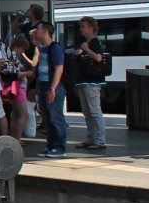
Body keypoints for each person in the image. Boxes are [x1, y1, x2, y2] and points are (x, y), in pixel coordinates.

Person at [72, 15, 107, 150]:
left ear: (92, 28)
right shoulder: (85, 42)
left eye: (84, 26)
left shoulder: (94, 42)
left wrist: (86, 49)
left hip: (92, 81)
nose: (81, 29)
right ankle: (91, 138)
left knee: (94, 110)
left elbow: (98, 58)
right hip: (83, 81)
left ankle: (100, 139)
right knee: (87, 111)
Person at [34, 21, 67, 158]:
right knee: (47, 119)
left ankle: (60, 148)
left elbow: (59, 69)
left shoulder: (55, 48)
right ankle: (51, 146)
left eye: (38, 29)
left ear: (45, 31)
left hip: (53, 88)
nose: (36, 31)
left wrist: (53, 88)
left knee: (56, 118)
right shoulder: (42, 48)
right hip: (43, 88)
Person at [6, 35, 35, 142]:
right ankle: (17, 138)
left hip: (15, 88)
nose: (23, 51)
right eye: (22, 49)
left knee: (16, 114)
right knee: (24, 114)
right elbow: (14, 73)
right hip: (19, 88)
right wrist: (27, 73)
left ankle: (15, 137)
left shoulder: (10, 55)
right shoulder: (12, 57)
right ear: (18, 47)